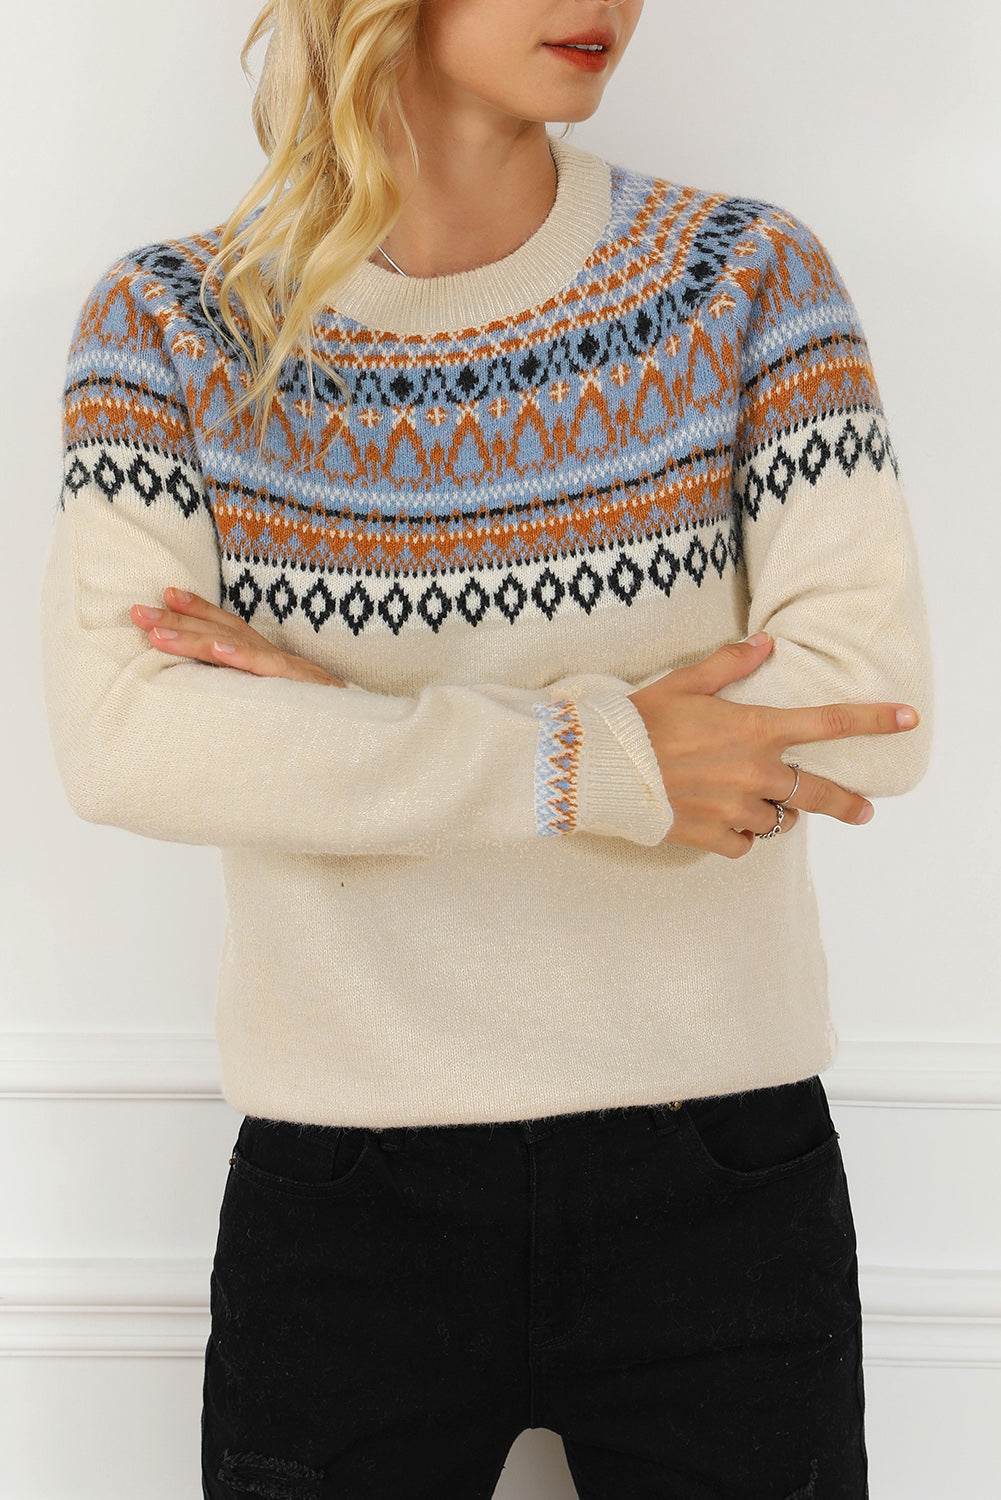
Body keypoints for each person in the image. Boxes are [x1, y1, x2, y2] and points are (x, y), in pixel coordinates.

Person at [39, 1, 934, 1494]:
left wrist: (326, 713)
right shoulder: (174, 325)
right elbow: (127, 740)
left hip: (719, 1168)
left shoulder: (747, 277)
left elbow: (863, 713)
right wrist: (597, 761)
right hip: (346, 1186)